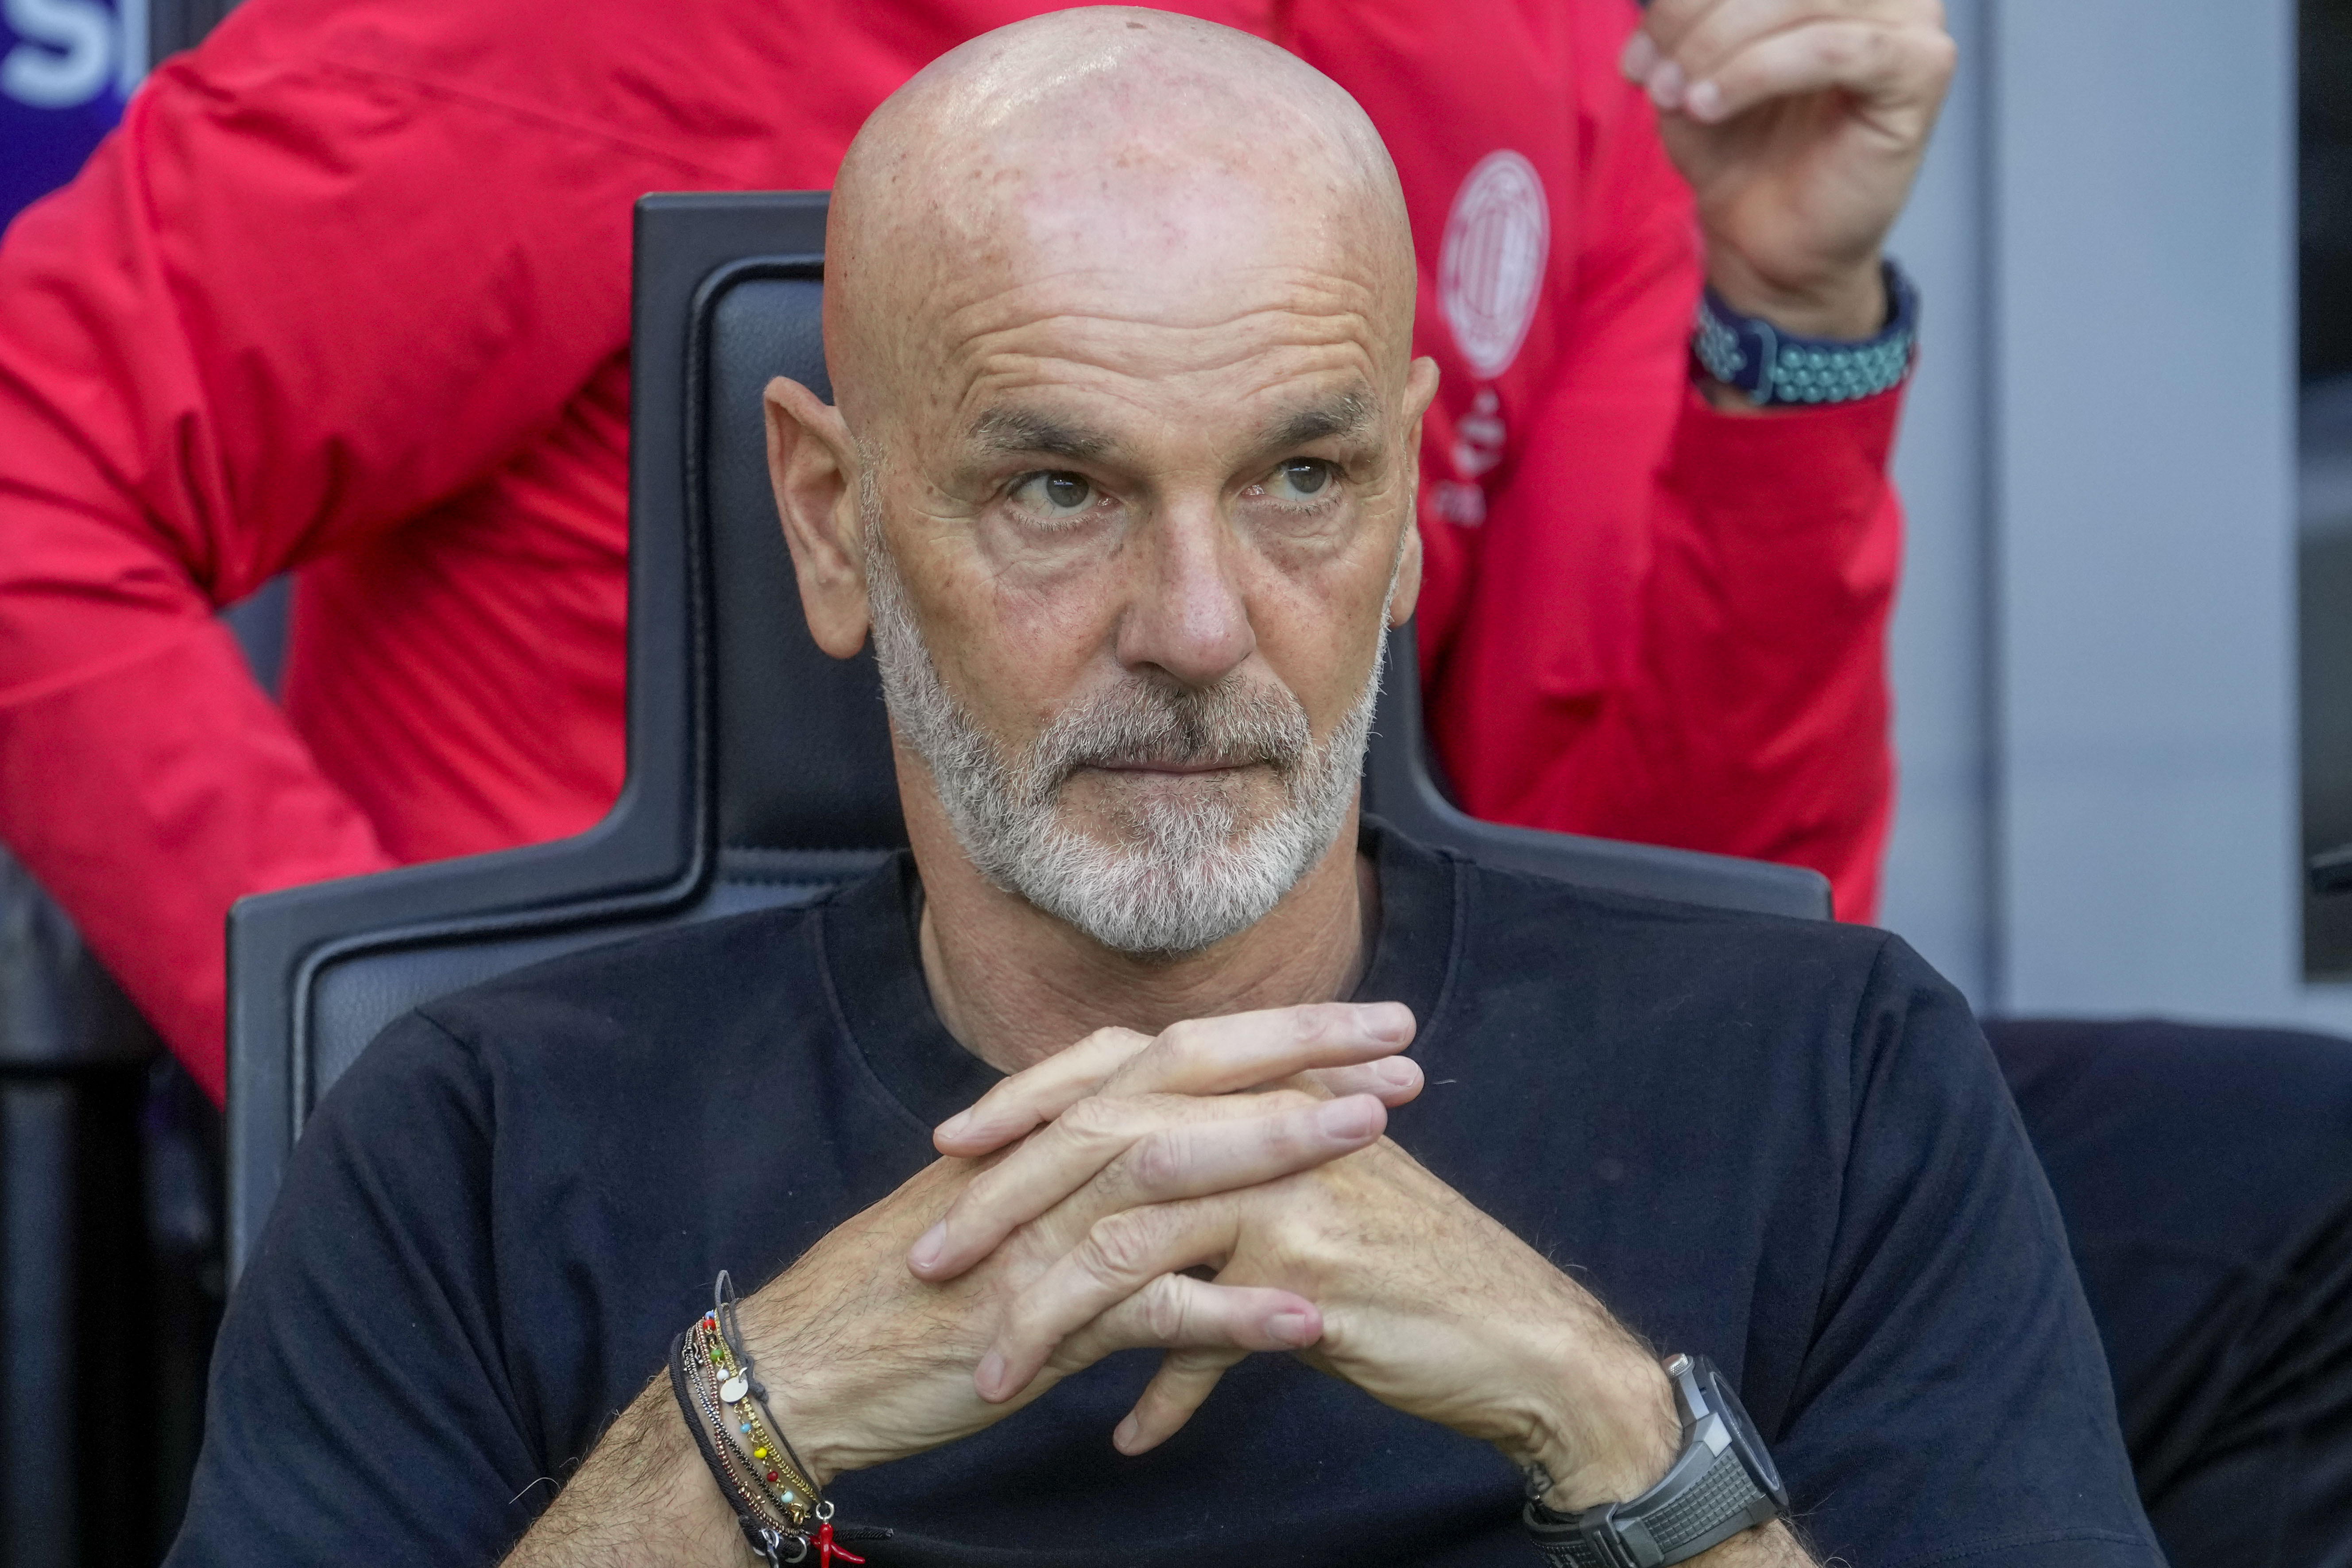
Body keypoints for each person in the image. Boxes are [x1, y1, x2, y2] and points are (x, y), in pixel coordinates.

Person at [170, 17, 2152, 1565]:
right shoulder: (478, 1140)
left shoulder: (1829, 1081)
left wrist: (1601, 1418)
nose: (1199, 625)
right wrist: (754, 1417)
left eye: (1298, 479)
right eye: (1058, 489)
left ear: (1397, 505)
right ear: (833, 520)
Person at [0, 0, 1951, 1102]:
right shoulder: (568, 27)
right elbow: (31, 454)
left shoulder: (1539, 57)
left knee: (2248, 1193)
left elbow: (1656, 899)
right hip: (677, 1164)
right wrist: (384, 1066)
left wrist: (1785, 314)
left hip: (1340, 1129)